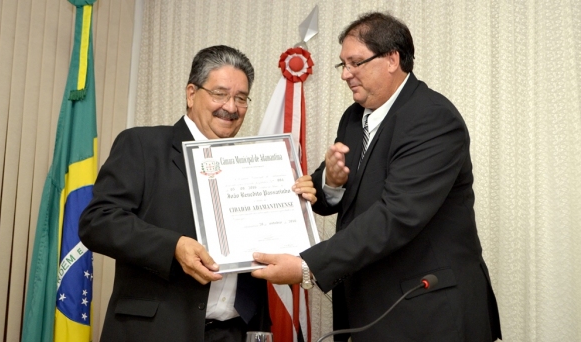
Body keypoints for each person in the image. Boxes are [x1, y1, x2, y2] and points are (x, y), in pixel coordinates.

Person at [252, 12, 502, 342]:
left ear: (391, 59)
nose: (346, 75)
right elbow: (328, 191)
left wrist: (307, 266)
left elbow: (396, 215)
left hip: (428, 312)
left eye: (355, 62)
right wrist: (331, 182)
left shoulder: (432, 118)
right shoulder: (355, 118)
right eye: (343, 64)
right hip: (370, 307)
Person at [79, 45, 317, 342]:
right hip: (156, 331)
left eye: (241, 98)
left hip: (235, 332)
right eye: (219, 94)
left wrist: (294, 204)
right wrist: (173, 246)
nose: (230, 107)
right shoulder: (143, 145)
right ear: (191, 93)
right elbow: (97, 222)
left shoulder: (257, 162)